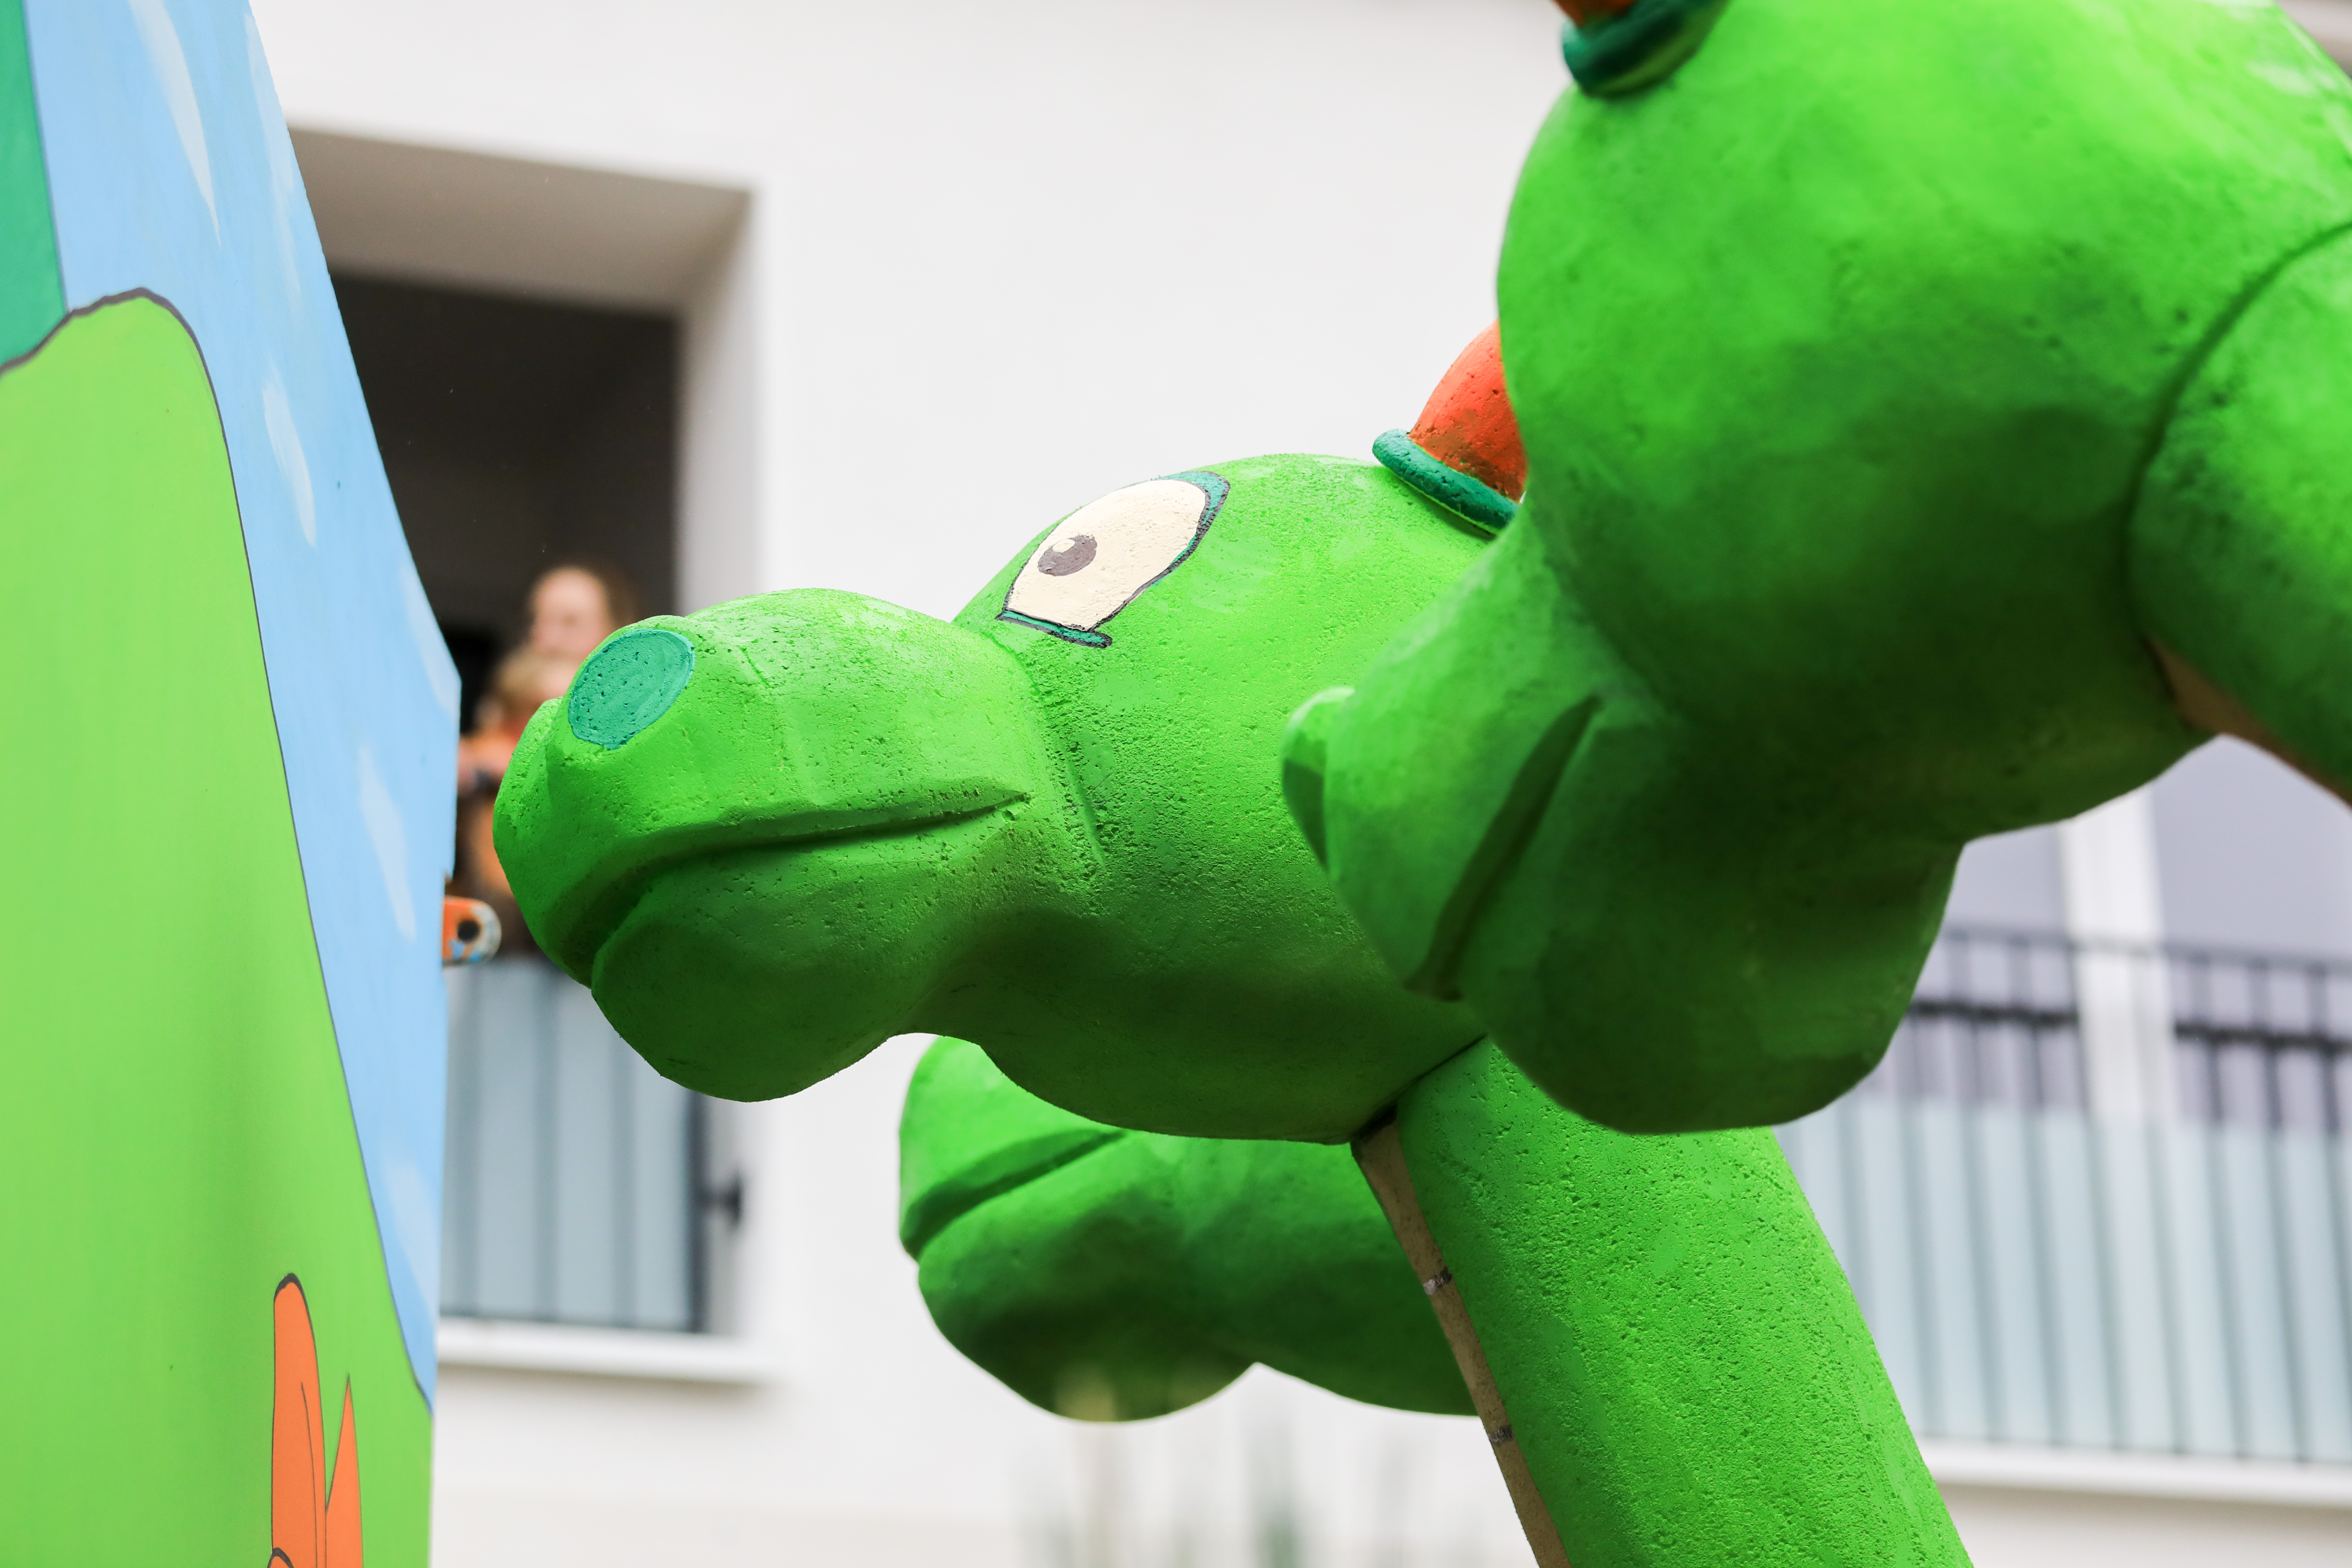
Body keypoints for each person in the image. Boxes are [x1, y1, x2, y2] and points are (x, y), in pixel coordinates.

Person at [452, 562, 639, 951]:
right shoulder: (506, 704)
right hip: (503, 926)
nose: (548, 640)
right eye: (539, 621)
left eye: (570, 623)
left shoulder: (636, 714)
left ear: (616, 631)